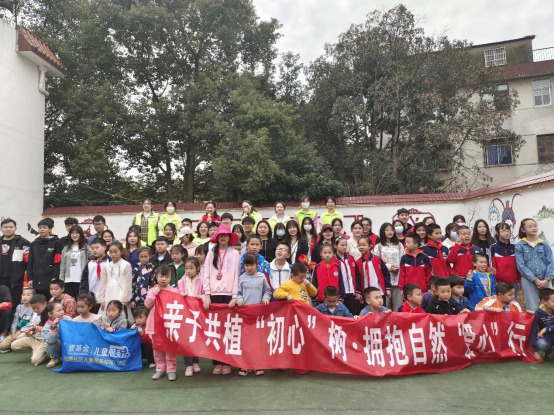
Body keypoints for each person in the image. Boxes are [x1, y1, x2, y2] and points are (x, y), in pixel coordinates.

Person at [202, 224, 241, 376]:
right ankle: (217, 362)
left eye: (226, 235)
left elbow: (236, 275)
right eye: (221, 235)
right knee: (215, 330)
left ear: (230, 237)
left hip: (228, 295)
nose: (223, 237)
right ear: (217, 237)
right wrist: (207, 294)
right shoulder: (211, 252)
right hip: (214, 294)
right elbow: (206, 274)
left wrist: (234, 296)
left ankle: (227, 362)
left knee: (228, 329)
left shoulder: (234, 253)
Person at [236, 253, 272, 377]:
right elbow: (237, 293)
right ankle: (245, 365)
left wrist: (266, 298)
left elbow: (267, 291)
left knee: (257, 340)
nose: (249, 268)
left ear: (256, 264)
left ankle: (257, 365)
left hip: (258, 315)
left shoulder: (262, 277)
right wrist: (239, 300)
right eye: (246, 265)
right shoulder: (241, 278)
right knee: (245, 340)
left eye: (251, 265)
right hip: (245, 314)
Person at [145, 265, 180, 381]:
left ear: (171, 278)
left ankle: (171, 370)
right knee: (157, 348)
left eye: (167, 276)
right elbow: (147, 304)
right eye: (161, 276)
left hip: (169, 324)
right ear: (156, 276)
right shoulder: (152, 290)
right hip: (155, 324)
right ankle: (160, 369)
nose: (163, 279)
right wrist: (156, 292)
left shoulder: (174, 291)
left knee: (170, 348)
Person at [515, 218, 553, 312]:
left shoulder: (544, 245)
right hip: (529, 281)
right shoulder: (520, 246)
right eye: (530, 226)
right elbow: (521, 265)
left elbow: (550, 262)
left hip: (545, 279)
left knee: (549, 306)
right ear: (523, 229)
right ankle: (535, 322)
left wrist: (547, 279)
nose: (534, 228)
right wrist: (535, 280)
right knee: (532, 308)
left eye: (535, 226)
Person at [177, 256, 205, 377]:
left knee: (196, 337)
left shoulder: (202, 281)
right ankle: (188, 364)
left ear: (197, 268)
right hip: (185, 313)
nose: (188, 271)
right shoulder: (181, 281)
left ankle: (195, 361)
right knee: (186, 338)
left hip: (197, 314)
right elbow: (177, 293)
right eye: (186, 268)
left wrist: (201, 297)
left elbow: (205, 294)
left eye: (191, 268)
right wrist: (181, 295)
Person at [97, 242, 133, 323]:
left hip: (121, 292)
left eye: (115, 252)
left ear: (121, 252)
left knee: (120, 314)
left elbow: (128, 283)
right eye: (110, 252)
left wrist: (126, 298)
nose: (113, 254)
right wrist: (102, 299)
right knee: (106, 315)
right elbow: (102, 284)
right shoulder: (107, 266)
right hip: (108, 293)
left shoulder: (126, 265)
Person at [0, 219, 31, 311]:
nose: (8, 229)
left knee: (15, 303)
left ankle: (14, 319)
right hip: (1, 278)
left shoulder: (23, 243)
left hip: (15, 279)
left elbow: (28, 262)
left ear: (15, 228)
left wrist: (21, 273)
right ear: (1, 229)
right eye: (5, 227)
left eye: (11, 227)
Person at [28, 218, 62, 299]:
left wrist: (55, 277)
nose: (42, 229)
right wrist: (30, 278)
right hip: (36, 279)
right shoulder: (33, 244)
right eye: (40, 228)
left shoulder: (56, 243)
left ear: (50, 229)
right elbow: (30, 262)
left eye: (44, 227)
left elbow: (57, 262)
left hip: (49, 278)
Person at [11, 294, 48, 366]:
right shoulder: (35, 314)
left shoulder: (48, 314)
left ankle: (46, 353)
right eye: (33, 308)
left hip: (44, 340)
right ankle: (36, 350)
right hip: (34, 338)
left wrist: (34, 330)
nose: (35, 310)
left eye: (37, 308)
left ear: (45, 304)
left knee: (35, 361)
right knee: (13, 345)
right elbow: (32, 326)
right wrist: (30, 332)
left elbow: (46, 329)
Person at [374, 223, 405, 312]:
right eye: (387, 230)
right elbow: (376, 262)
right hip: (384, 279)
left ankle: (397, 319)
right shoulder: (378, 246)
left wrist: (398, 268)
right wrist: (389, 267)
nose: (390, 232)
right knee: (385, 303)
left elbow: (403, 259)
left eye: (391, 230)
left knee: (398, 303)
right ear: (382, 232)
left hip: (398, 277)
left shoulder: (399, 245)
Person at [356, 236, 391, 307]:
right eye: (359, 245)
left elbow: (386, 273)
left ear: (370, 246)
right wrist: (359, 292)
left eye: (364, 245)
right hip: (366, 293)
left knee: (381, 310)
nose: (361, 247)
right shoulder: (358, 262)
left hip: (379, 291)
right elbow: (358, 279)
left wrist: (387, 288)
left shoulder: (377, 259)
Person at [59, 225, 91, 299]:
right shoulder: (66, 248)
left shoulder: (86, 247)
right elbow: (62, 265)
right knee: (70, 300)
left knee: (80, 300)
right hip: (68, 279)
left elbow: (92, 257)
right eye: (72, 233)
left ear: (81, 234)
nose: (74, 235)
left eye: (76, 233)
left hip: (81, 278)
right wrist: (61, 280)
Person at [0, 287, 34, 353]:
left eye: (28, 295)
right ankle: (13, 344)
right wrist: (13, 332)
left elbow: (32, 323)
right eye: (23, 295)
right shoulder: (19, 307)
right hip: (17, 331)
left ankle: (28, 344)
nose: (25, 297)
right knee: (2, 346)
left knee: (17, 339)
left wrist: (20, 332)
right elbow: (15, 321)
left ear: (33, 297)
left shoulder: (34, 307)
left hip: (27, 330)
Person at [334, 236, 362, 314]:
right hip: (340, 294)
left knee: (352, 313)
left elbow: (357, 275)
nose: (344, 247)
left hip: (352, 292)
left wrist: (358, 290)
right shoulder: (333, 260)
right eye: (342, 245)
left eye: (346, 245)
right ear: (335, 246)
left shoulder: (351, 258)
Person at [490, 222, 520, 297]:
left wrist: (519, 279)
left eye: (508, 230)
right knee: (500, 302)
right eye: (503, 231)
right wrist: (494, 281)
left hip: (513, 282)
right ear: (497, 233)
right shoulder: (493, 247)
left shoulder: (514, 247)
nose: (506, 233)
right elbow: (491, 265)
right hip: (499, 283)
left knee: (513, 302)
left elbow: (518, 264)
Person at [80, 238, 110, 305]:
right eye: (92, 248)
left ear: (104, 247)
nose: (94, 250)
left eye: (97, 248)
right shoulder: (90, 263)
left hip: (107, 297)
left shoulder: (110, 262)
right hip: (92, 297)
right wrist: (83, 294)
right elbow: (84, 280)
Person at [42, 302, 72, 368]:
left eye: (62, 309)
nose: (62, 312)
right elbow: (50, 341)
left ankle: (73, 356)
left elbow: (74, 330)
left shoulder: (67, 319)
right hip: (57, 348)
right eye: (59, 310)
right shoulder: (47, 326)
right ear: (50, 314)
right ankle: (55, 359)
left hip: (69, 345)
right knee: (53, 342)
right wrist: (54, 327)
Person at [531, 288, 554, 363]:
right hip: (546, 338)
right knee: (540, 344)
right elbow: (533, 331)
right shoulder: (538, 313)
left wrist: (547, 328)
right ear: (544, 302)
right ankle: (549, 352)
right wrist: (535, 351)